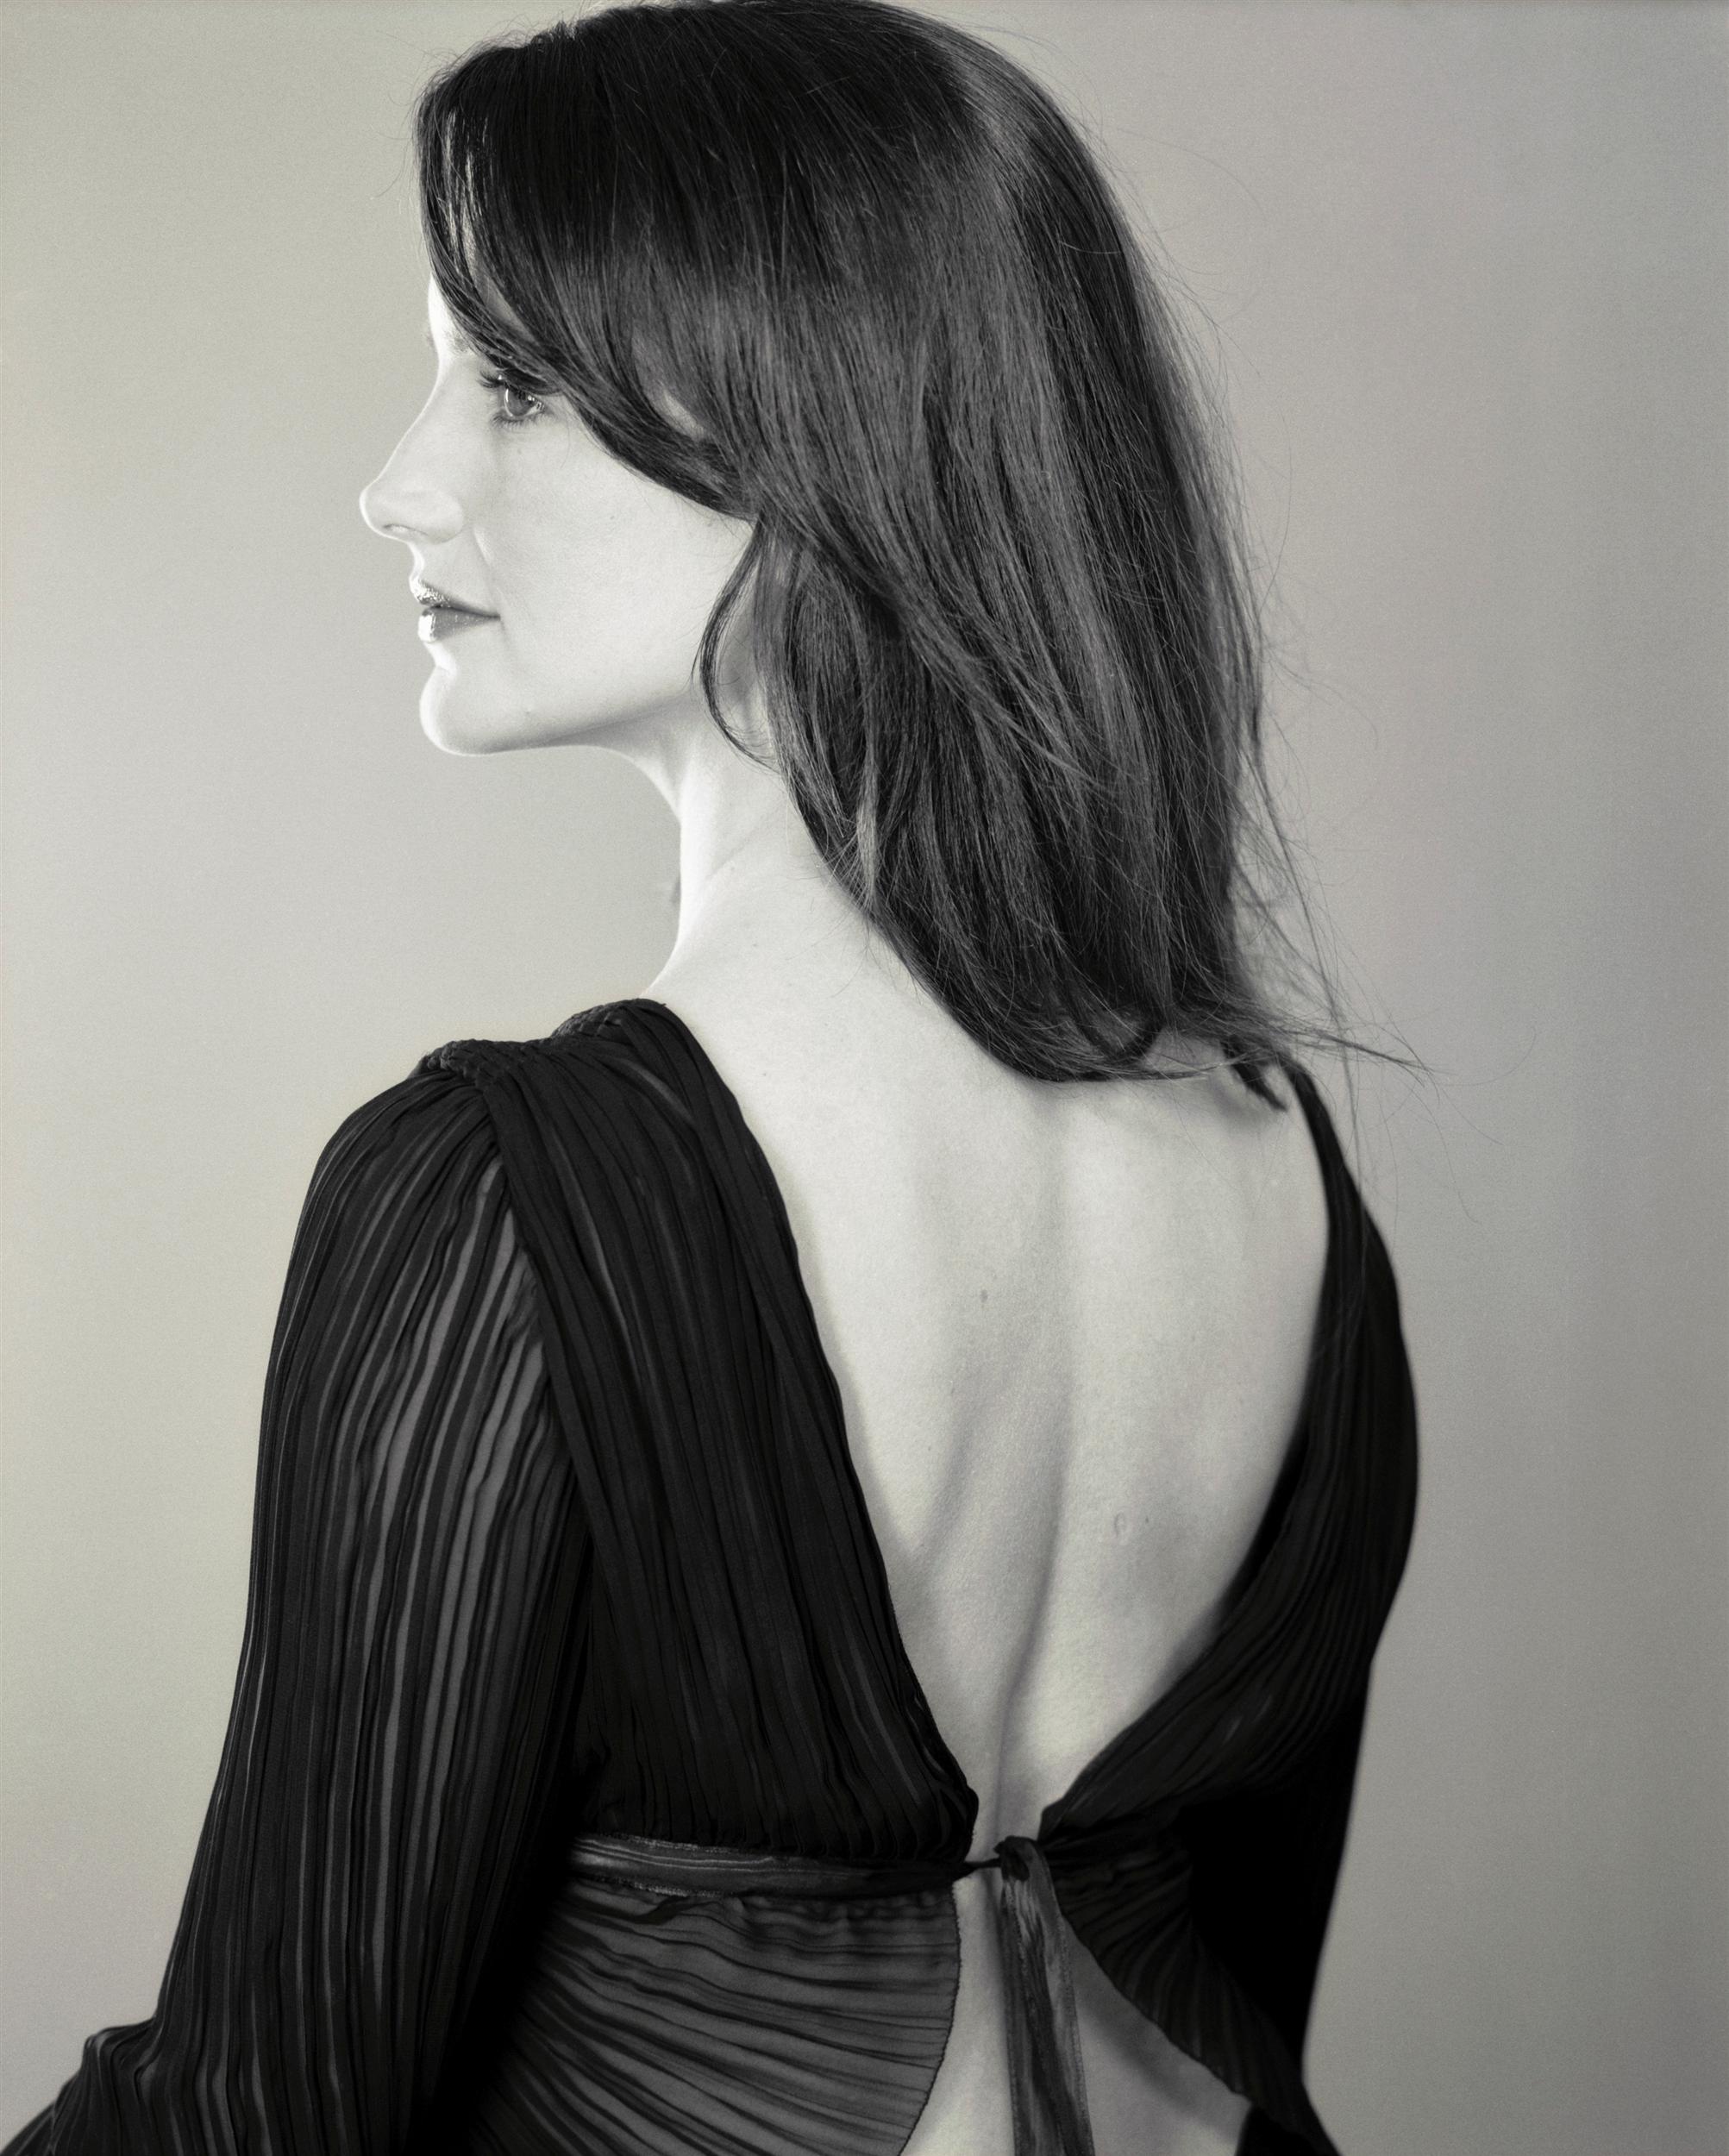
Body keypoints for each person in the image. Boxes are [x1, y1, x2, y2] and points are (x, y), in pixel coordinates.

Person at [2, 3, 1421, 2151]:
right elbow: (1237, 1991)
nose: (400, 481)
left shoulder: (502, 1194)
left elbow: (266, 2111)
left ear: (805, 415)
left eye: (510, 379)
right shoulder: (1282, 1171)